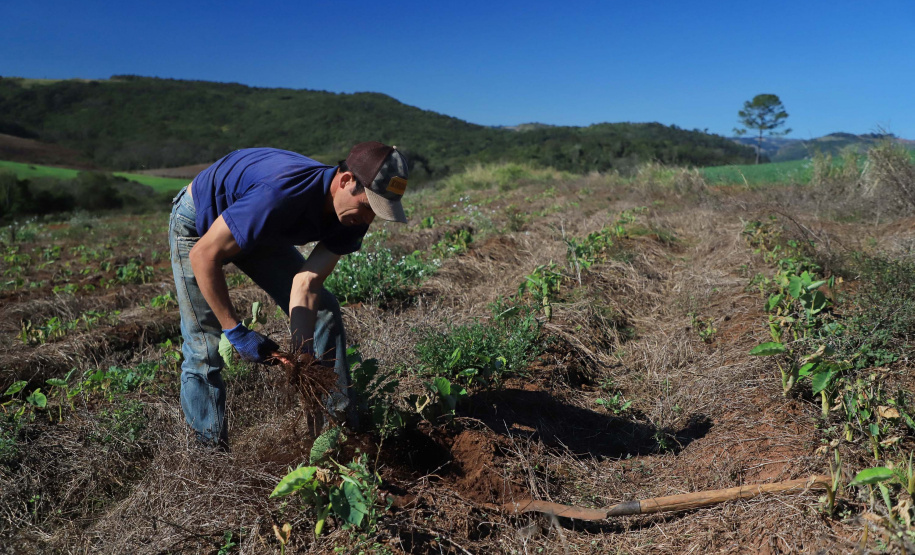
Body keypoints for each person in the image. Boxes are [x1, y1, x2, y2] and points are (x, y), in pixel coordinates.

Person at [168, 142, 409, 447]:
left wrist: (302, 357)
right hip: (199, 223)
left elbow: (307, 283)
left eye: (377, 212)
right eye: (367, 206)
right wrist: (234, 329)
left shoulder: (352, 217)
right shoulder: (281, 194)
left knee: (323, 308)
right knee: (204, 347)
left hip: (260, 225)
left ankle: (342, 428)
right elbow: (204, 255)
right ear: (346, 181)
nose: (367, 220)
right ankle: (209, 458)